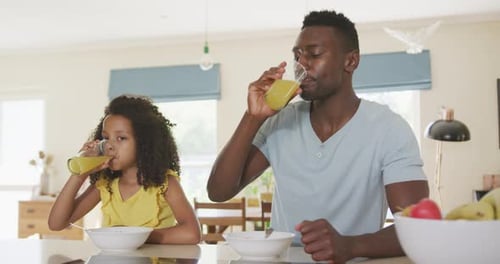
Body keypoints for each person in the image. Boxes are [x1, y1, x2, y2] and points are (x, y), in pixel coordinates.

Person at [207, 10, 429, 263]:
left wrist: (350, 246)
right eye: (297, 56)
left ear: (351, 62)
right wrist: (252, 117)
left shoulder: (389, 129)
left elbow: (418, 227)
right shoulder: (279, 121)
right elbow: (218, 191)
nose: (301, 64)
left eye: (314, 54)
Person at [48, 95, 201, 244]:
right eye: (106, 138)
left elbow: (192, 234)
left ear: (144, 143)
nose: (109, 145)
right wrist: (79, 173)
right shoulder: (105, 185)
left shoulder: (165, 183)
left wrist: (135, 237)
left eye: (121, 138)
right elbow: (56, 224)